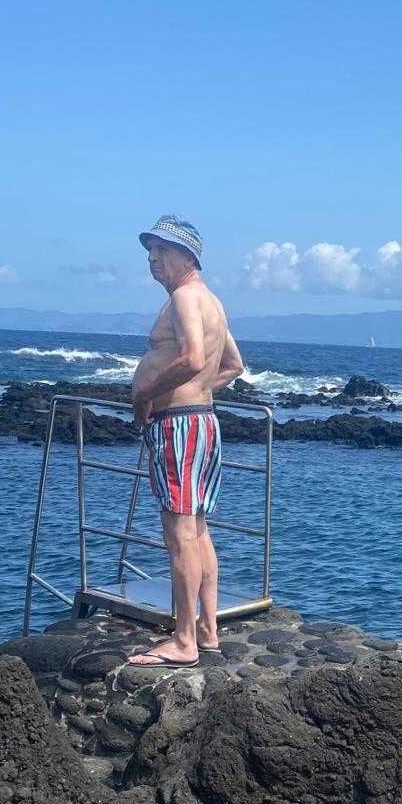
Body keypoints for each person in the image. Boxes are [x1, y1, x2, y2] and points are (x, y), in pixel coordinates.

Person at [126, 215, 244, 667]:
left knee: (179, 535)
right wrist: (197, 397)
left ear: (187, 256)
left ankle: (183, 641)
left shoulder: (183, 298)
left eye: (162, 250)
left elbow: (193, 357)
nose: (153, 259)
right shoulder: (211, 302)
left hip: (179, 428)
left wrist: (146, 394)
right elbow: (232, 363)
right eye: (150, 251)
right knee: (196, 530)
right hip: (200, 422)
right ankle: (207, 631)